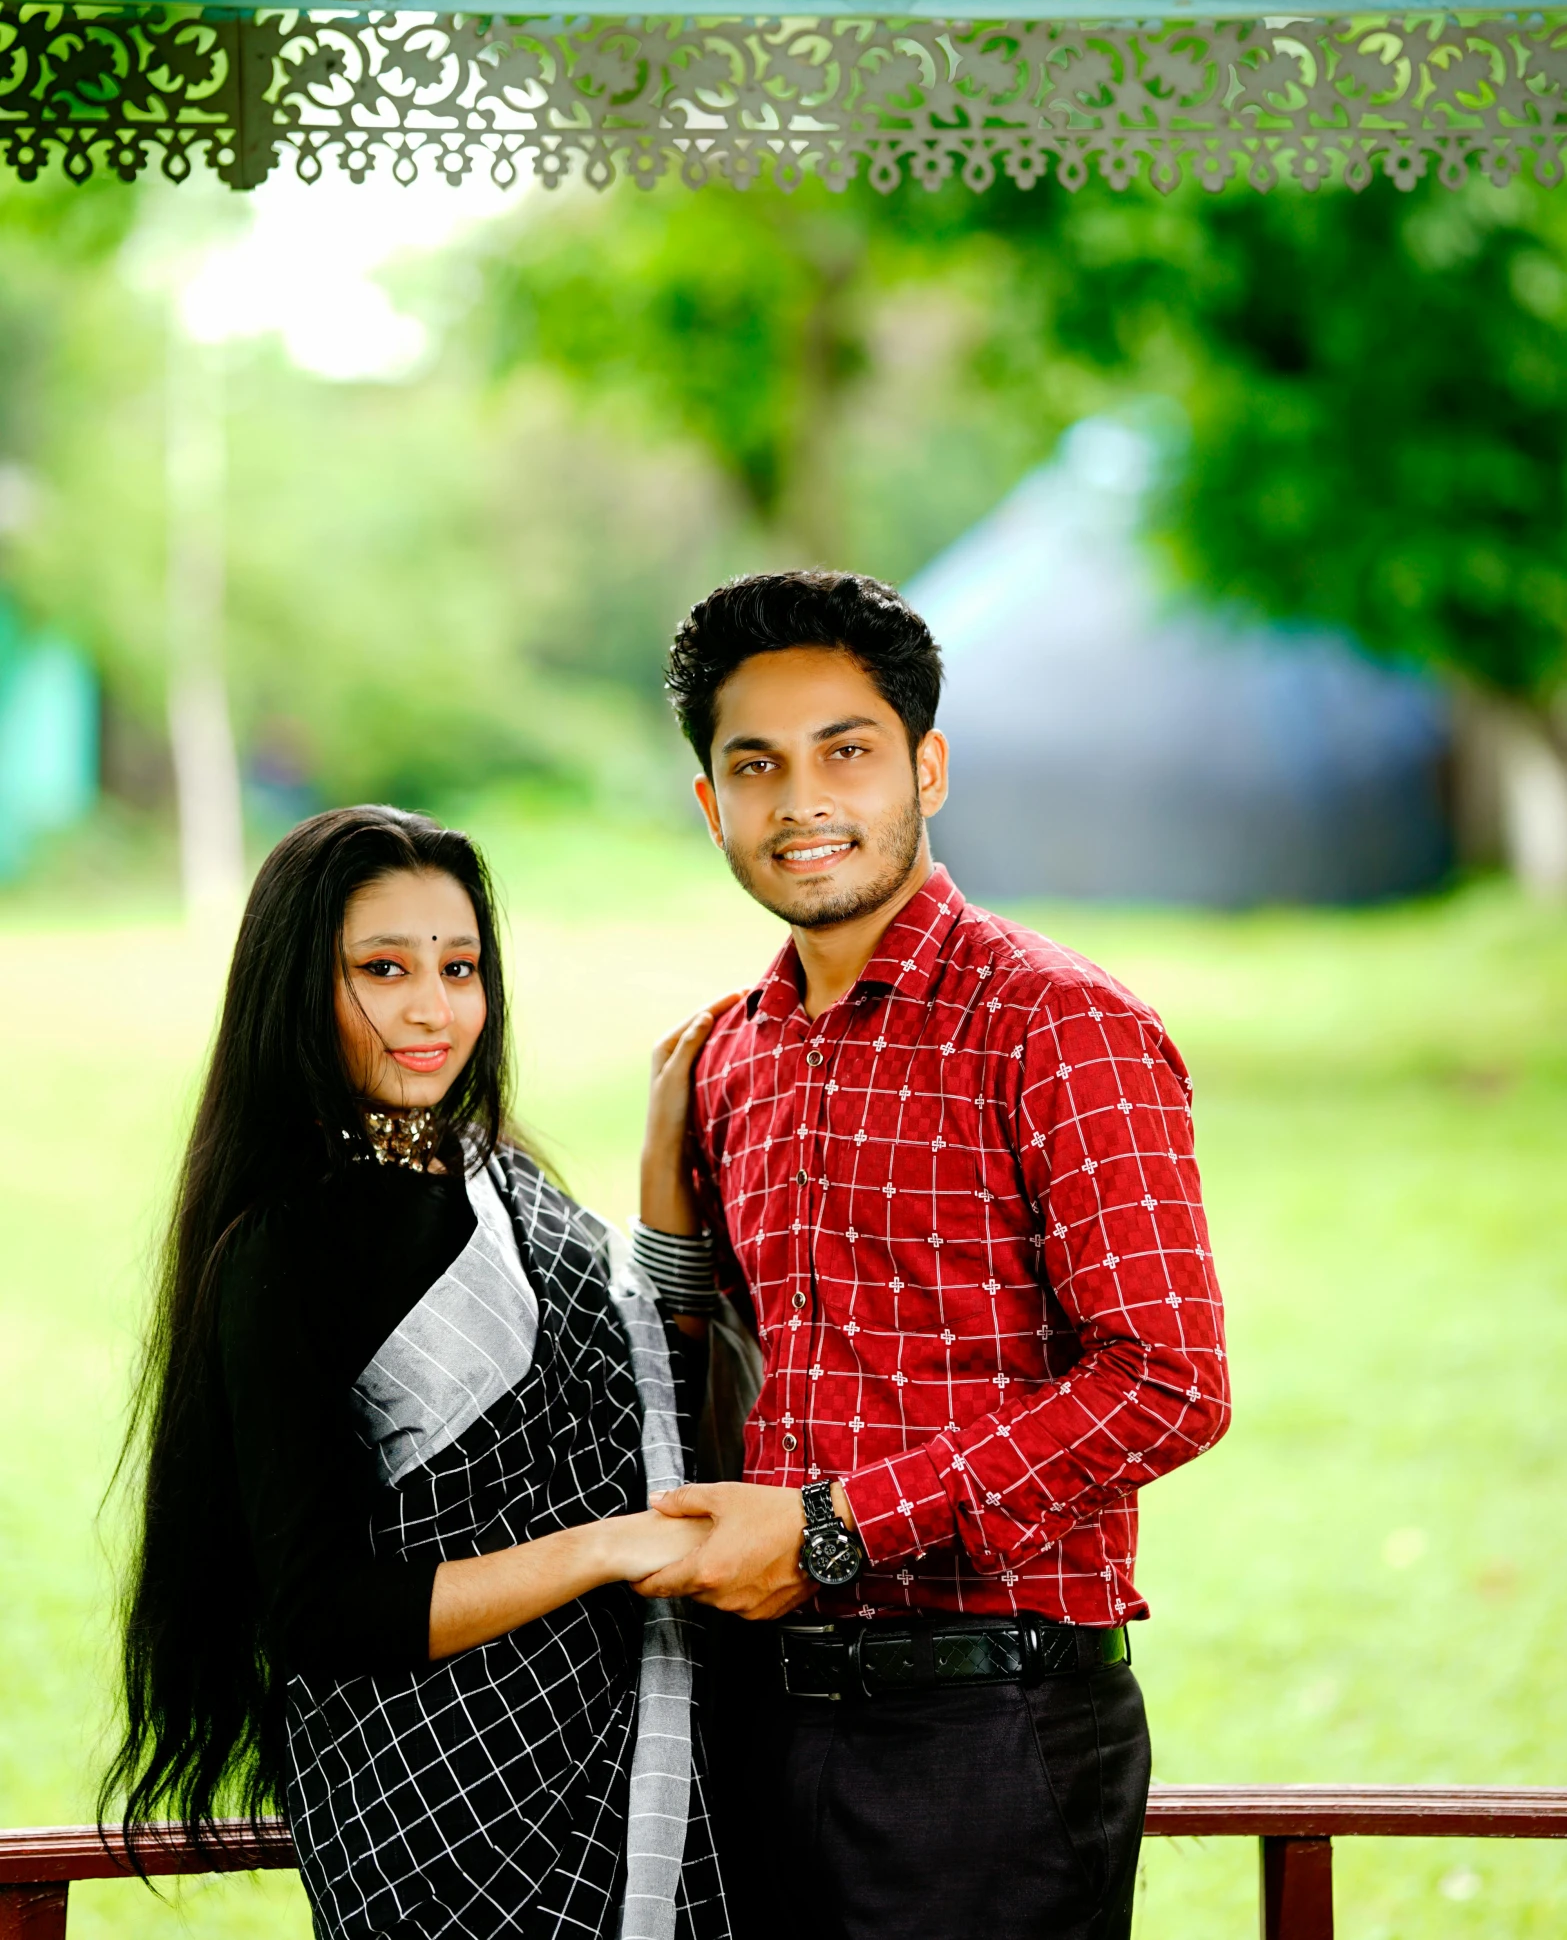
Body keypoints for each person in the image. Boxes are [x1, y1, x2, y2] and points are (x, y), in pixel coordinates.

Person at [635, 570, 1231, 1940]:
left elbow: (1165, 1379)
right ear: (708, 801)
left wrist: (837, 1530)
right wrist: (664, 1191)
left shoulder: (1054, 1023)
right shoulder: (732, 1053)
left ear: (927, 765)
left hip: (985, 1730)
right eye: (755, 764)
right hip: (756, 1720)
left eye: (844, 750)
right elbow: (718, 1368)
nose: (801, 802)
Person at [101, 804, 732, 1940]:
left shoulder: (501, 1175)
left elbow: (653, 1395)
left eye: (460, 966)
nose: (432, 1009)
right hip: (425, 1803)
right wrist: (597, 1549)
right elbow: (321, 1613)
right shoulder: (283, 1249)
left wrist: (660, 1157)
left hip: (603, 1748)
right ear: (297, 985)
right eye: (381, 969)